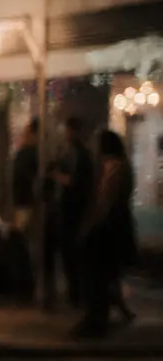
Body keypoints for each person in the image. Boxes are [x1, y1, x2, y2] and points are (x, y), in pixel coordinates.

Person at [74, 129, 137, 338]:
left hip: (107, 229)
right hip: (113, 226)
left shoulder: (113, 168)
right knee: (105, 275)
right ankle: (101, 316)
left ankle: (95, 320)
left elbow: (105, 202)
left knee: (96, 274)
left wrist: (89, 226)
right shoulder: (118, 166)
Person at [54, 117, 94, 306]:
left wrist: (56, 175)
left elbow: (74, 182)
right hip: (74, 209)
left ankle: (76, 294)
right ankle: (76, 292)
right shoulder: (76, 152)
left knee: (72, 253)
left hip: (73, 209)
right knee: (71, 253)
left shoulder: (78, 154)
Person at [10, 119, 40, 303]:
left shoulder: (30, 153)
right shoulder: (29, 153)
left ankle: (26, 289)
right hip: (23, 204)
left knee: (26, 246)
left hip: (27, 205)